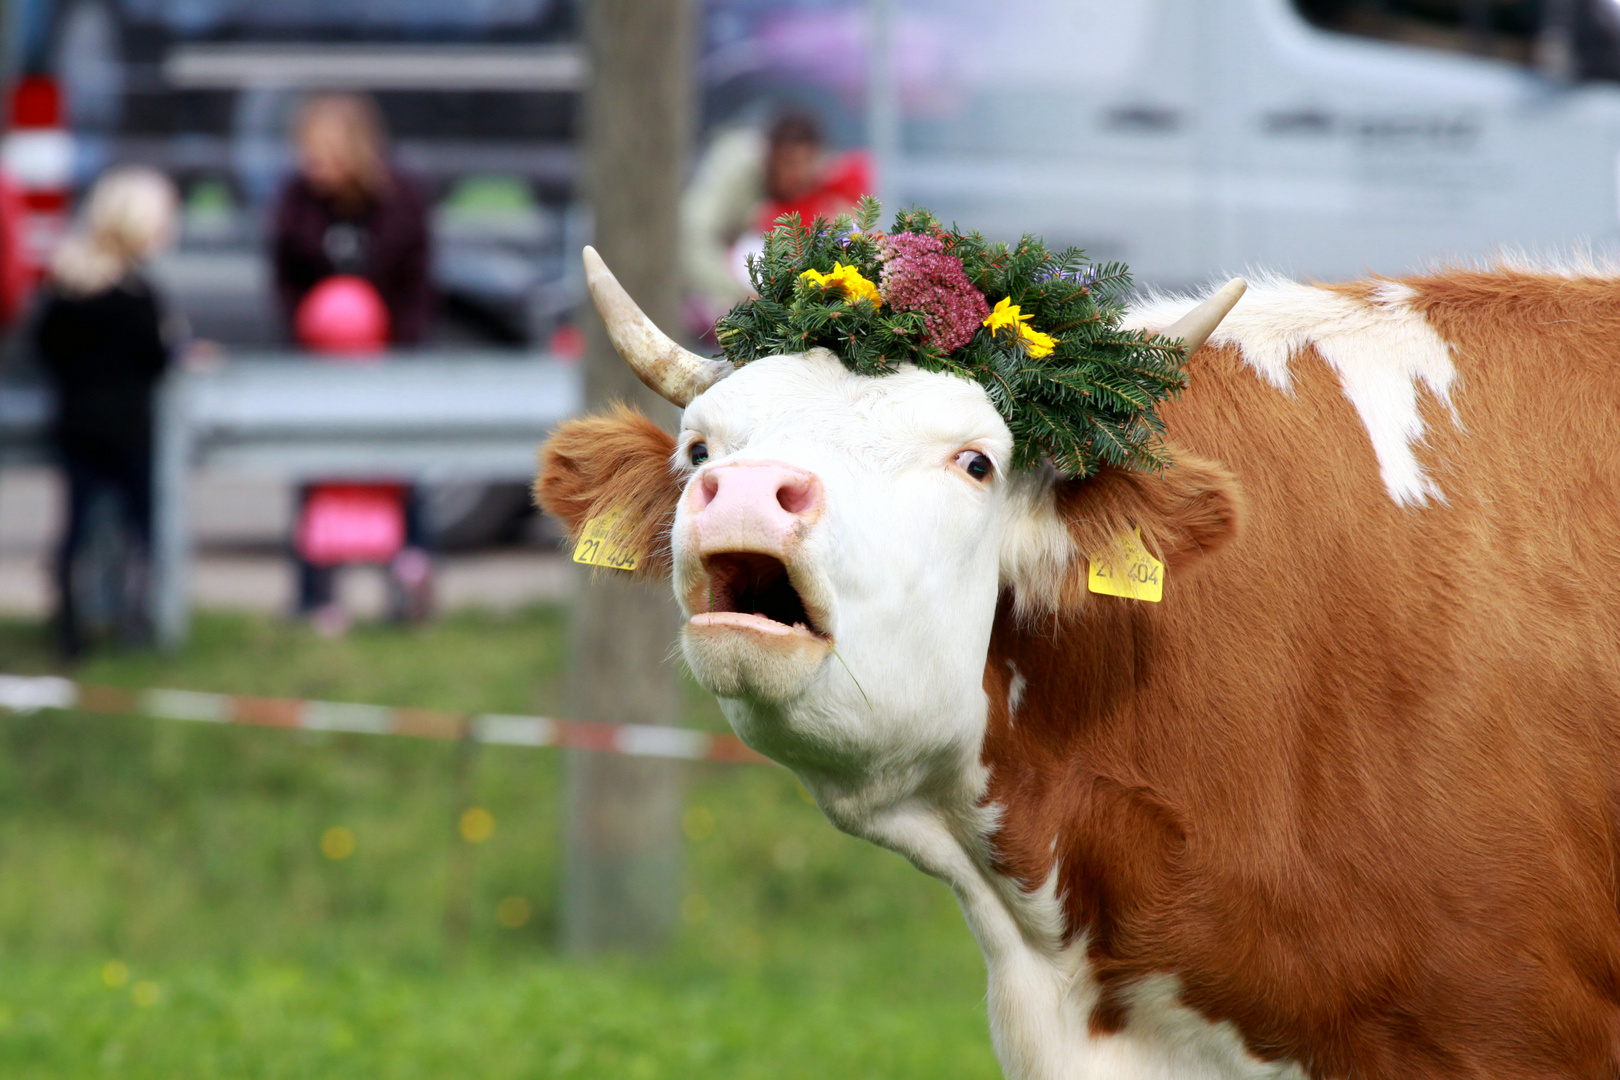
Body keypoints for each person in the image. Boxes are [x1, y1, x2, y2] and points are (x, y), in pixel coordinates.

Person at [271, 93, 434, 631]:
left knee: (398, 471)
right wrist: (313, 331)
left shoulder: (400, 201)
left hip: (389, 363)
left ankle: (409, 578)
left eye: (326, 155)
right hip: (319, 364)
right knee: (317, 473)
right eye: (308, 155)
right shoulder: (295, 204)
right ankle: (316, 595)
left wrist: (393, 353)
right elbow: (285, 281)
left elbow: (417, 284)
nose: (315, 167)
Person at [35, 166, 178, 658]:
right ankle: (135, 620)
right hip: (129, 428)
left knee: (78, 523)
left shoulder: (68, 287)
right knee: (141, 523)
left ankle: (70, 625)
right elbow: (155, 359)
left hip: (76, 423)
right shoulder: (138, 297)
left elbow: (45, 346)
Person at [680, 110, 870, 334]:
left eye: (807, 163)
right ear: (769, 155)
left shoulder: (824, 185)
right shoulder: (734, 169)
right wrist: (742, 293)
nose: (798, 174)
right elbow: (692, 238)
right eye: (789, 163)